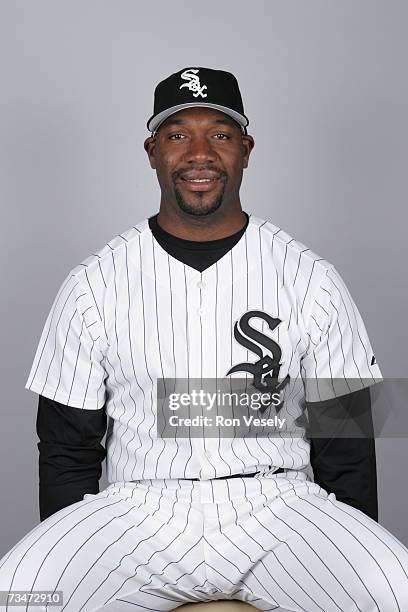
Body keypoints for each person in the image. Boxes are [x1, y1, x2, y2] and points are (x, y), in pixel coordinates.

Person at [0, 66, 407, 612]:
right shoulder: (92, 283)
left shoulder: (311, 276)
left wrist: (355, 551)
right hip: (137, 511)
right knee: (19, 594)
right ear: (152, 151)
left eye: (218, 134)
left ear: (245, 148)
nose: (199, 153)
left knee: (392, 590)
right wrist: (67, 547)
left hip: (278, 507)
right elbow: (66, 448)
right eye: (177, 135)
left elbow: (348, 438)